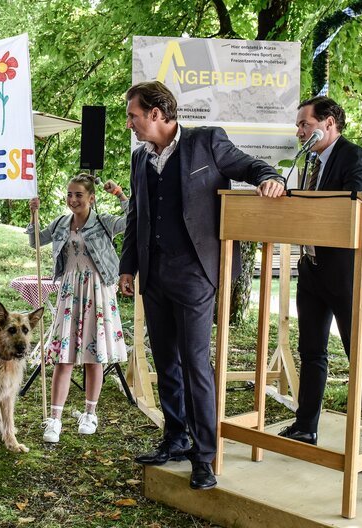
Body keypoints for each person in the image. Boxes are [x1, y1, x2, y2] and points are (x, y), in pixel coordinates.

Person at [118, 80, 285, 490]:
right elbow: (137, 215)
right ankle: (175, 437)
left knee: (195, 363)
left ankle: (204, 454)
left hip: (195, 274)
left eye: (133, 116)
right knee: (166, 362)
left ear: (156, 114)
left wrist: (271, 178)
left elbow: (249, 166)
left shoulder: (206, 142)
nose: (129, 124)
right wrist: (128, 267)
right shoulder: (140, 158)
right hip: (154, 275)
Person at [278, 97, 362, 472]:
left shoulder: (354, 157)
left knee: (361, 355)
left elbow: (354, 208)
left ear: (328, 123)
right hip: (311, 269)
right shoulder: (309, 162)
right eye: (298, 125)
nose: (299, 132)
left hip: (346, 271)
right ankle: (306, 426)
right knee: (311, 351)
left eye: (304, 124)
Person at [27, 175, 129, 443]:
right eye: (70, 194)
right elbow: (35, 241)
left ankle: (90, 414)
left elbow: (133, 219)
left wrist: (120, 194)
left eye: (79, 195)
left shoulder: (104, 222)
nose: (73, 200)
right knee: (64, 356)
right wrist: (34, 216)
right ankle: (55, 419)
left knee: (94, 355)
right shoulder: (61, 223)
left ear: (91, 198)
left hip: (98, 290)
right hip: (70, 291)